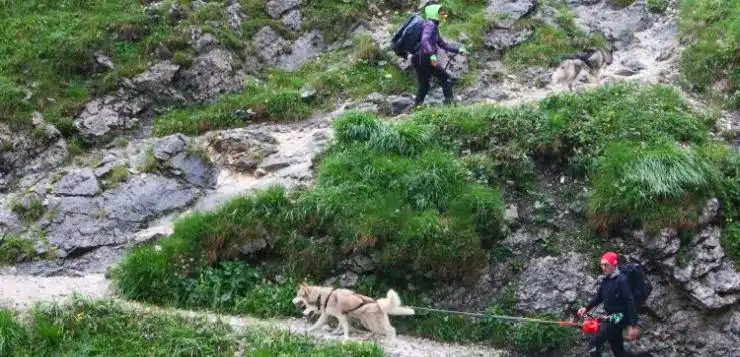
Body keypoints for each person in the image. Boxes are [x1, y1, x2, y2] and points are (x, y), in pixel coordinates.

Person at [576, 251, 640, 357]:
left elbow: (630, 301)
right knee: (617, 349)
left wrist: (633, 324)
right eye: (602, 264)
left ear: (614, 264)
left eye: (606, 264)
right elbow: (599, 298)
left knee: (594, 342)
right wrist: (585, 308)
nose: (603, 267)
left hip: (619, 317)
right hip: (612, 317)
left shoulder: (621, 280)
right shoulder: (606, 280)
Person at [412, 4, 468, 107]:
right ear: (433, 14)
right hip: (425, 58)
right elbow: (424, 40)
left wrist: (459, 50)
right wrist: (432, 56)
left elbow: (443, 45)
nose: (442, 13)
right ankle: (450, 105)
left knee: (424, 85)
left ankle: (417, 107)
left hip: (417, 58)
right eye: (440, 11)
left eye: (442, 11)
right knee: (445, 78)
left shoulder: (433, 27)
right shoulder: (430, 25)